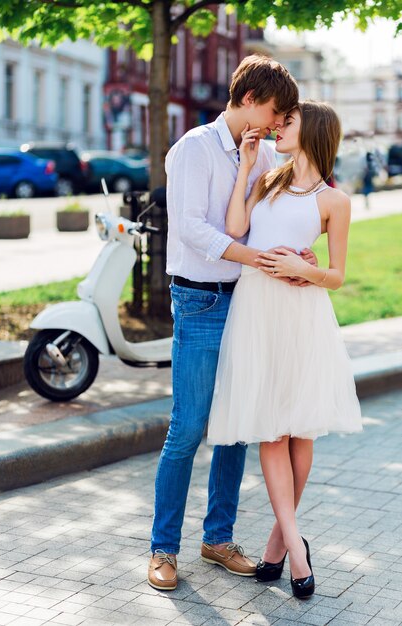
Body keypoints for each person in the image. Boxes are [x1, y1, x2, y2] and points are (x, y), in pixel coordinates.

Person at [147, 55, 318, 591]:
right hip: (198, 302)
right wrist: (261, 260)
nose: (274, 123)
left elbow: (281, 215)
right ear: (248, 99)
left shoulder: (267, 151)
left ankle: (217, 540)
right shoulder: (193, 150)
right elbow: (195, 231)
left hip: (249, 303)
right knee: (190, 426)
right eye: (271, 111)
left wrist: (302, 255)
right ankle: (163, 549)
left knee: (237, 429)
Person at [207, 100, 363, 599]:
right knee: (271, 430)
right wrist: (247, 168)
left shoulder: (334, 202)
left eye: (287, 122)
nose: (277, 127)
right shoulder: (267, 178)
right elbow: (235, 229)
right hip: (257, 311)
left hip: (302, 315)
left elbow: (337, 275)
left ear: (312, 131)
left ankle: (278, 543)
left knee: (299, 428)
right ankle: (297, 547)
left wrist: (305, 271)